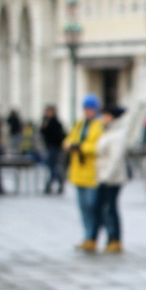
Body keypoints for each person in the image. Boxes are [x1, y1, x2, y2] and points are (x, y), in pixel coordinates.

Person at [65, 96, 108, 251]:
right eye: (85, 108)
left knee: (93, 206)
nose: (87, 111)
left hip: (93, 173)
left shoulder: (100, 125)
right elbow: (69, 140)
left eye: (90, 108)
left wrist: (81, 147)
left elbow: (99, 146)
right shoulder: (80, 124)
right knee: (83, 207)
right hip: (78, 172)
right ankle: (87, 236)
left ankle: (94, 236)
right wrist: (70, 145)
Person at [94, 106, 128, 252]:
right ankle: (110, 238)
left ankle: (115, 239)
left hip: (111, 178)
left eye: (105, 115)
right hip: (103, 175)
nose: (102, 118)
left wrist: (105, 178)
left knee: (110, 208)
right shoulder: (109, 131)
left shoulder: (117, 134)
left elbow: (114, 159)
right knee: (106, 208)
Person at [39, 107, 67, 194]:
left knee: (53, 167)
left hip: (55, 147)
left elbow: (58, 135)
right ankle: (58, 183)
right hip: (50, 147)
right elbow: (43, 132)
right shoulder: (46, 121)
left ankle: (50, 185)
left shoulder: (55, 122)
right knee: (53, 167)